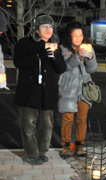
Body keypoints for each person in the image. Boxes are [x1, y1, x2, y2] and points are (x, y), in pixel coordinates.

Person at [13, 15, 66, 165]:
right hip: (29, 92)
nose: (48, 29)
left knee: (47, 125)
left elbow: (61, 68)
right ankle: (31, 153)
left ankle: (42, 152)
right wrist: (39, 56)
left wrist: (55, 55)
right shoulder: (24, 44)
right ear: (37, 29)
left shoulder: (54, 45)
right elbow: (19, 62)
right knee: (28, 125)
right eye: (44, 27)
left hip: (47, 92)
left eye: (50, 27)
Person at [58, 22, 98, 158]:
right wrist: (77, 55)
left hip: (84, 89)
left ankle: (80, 145)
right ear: (69, 37)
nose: (78, 38)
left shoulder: (88, 47)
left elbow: (92, 69)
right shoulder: (63, 49)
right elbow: (66, 66)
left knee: (82, 119)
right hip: (68, 88)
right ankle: (66, 146)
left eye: (80, 35)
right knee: (68, 119)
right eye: (74, 36)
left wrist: (90, 57)